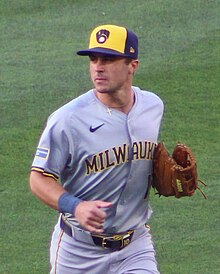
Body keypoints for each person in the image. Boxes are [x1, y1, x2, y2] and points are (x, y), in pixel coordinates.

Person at [30, 24, 164, 274]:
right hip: (78, 254)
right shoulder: (68, 119)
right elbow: (38, 178)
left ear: (132, 65)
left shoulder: (152, 106)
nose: (98, 67)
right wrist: (75, 206)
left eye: (109, 59)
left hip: (135, 246)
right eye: (94, 59)